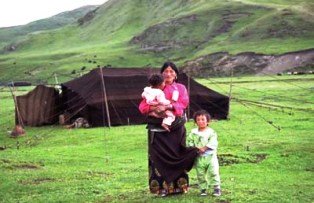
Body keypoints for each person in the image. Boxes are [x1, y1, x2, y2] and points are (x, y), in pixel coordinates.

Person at [139, 62, 198, 197]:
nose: (168, 74)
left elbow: (183, 103)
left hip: (176, 130)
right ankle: (161, 189)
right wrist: (154, 108)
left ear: (176, 74)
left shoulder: (181, 88)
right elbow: (142, 107)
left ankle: (179, 187)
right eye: (165, 71)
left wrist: (168, 107)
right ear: (161, 74)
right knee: (158, 159)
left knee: (177, 154)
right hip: (157, 132)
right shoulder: (153, 88)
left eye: (171, 71)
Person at [186, 110, 221, 197]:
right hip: (199, 157)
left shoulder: (211, 132)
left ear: (208, 121)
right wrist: (195, 148)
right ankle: (203, 189)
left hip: (210, 156)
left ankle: (216, 188)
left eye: (203, 119)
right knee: (200, 174)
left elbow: (213, 142)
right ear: (195, 122)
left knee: (213, 172)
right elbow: (189, 142)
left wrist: (204, 148)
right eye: (198, 120)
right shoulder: (193, 132)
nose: (200, 121)